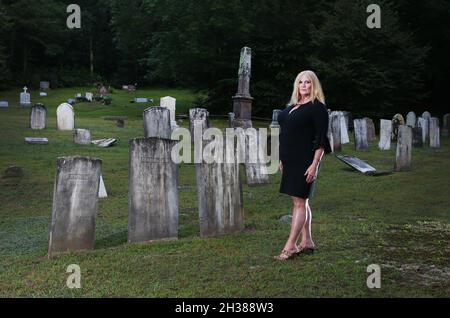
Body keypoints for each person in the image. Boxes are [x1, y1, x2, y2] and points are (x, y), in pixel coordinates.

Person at [275, 70, 332, 261]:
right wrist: (282, 158)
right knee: (300, 201)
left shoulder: (318, 108)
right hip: (290, 160)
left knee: (299, 202)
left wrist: (314, 164)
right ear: (297, 85)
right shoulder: (293, 106)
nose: (304, 85)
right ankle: (307, 241)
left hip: (306, 160)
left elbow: (321, 139)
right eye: (301, 82)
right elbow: (287, 133)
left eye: (308, 82)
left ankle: (290, 246)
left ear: (313, 85)